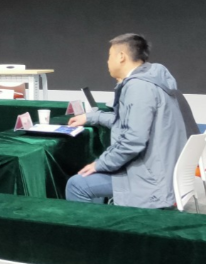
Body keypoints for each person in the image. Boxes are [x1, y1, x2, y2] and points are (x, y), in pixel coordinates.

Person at [65, 34, 197, 209]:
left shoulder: (139, 87)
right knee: (92, 173)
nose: (107, 62)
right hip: (161, 171)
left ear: (121, 57)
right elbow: (128, 121)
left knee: (77, 184)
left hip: (150, 181)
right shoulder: (154, 79)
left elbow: (133, 140)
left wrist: (100, 164)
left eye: (109, 56)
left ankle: (96, 226)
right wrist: (91, 117)